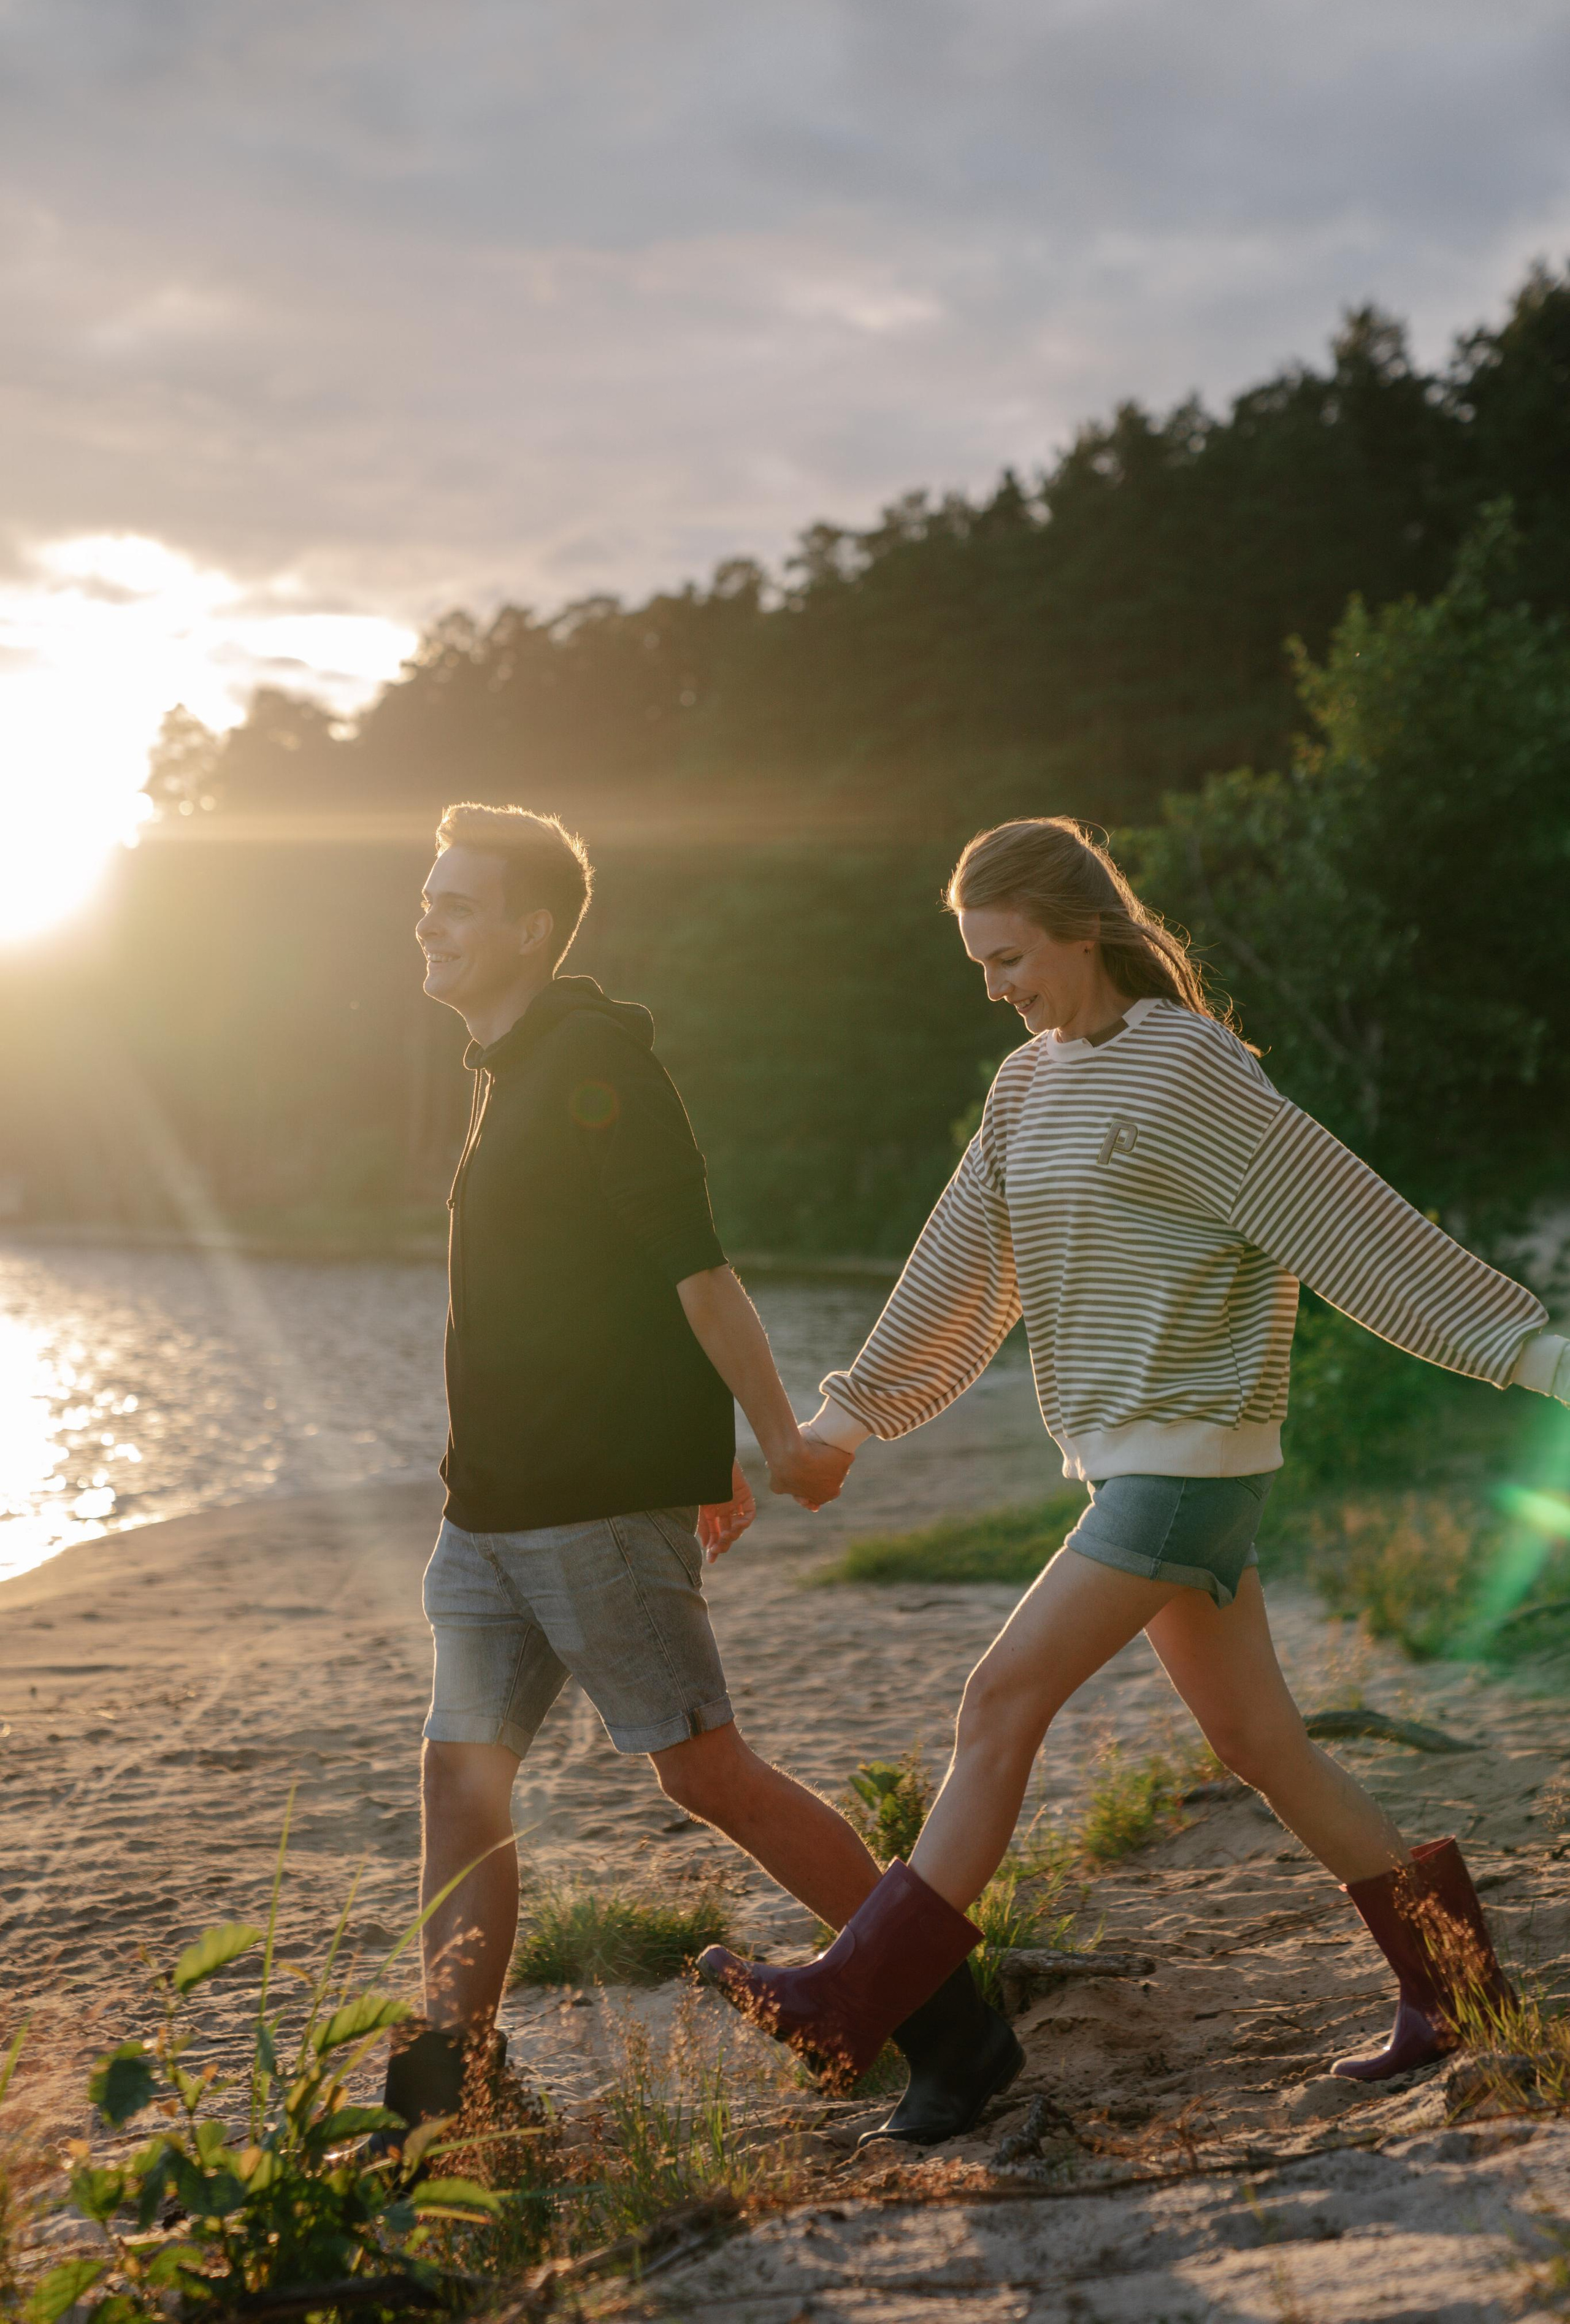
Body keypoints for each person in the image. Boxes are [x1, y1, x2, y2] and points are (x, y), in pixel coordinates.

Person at [702, 815, 1570, 2141]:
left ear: (1081, 929)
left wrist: (1532, 1352)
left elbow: (1346, 1222)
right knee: (1261, 1742)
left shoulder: (1187, 1070)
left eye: (1009, 959)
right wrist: (841, 1425)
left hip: (1186, 1464)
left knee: (997, 1699)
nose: (996, 990)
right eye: (977, 968)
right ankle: (1455, 1992)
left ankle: (850, 2000)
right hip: (1134, 1468)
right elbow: (956, 1274)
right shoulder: (1024, 1087)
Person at [384, 801, 1021, 2138]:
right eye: (426, 898)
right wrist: (713, 1445)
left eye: (456, 902)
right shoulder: (507, 1074)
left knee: (703, 1773)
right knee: (459, 1780)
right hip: (485, 1511)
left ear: (529, 929)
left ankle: (953, 2030)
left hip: (591, 1512)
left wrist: (776, 1436)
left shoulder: (596, 1068)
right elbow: (591, 1295)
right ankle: (458, 2080)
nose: (428, 921)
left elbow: (697, 1269)